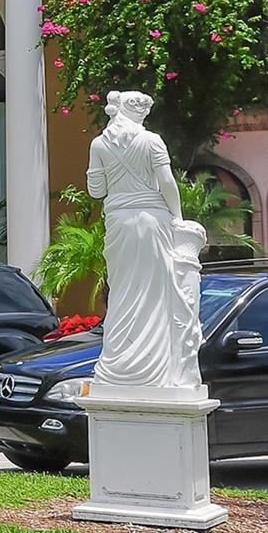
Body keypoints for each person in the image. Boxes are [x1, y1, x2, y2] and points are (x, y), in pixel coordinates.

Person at [87, 89, 191, 389]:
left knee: (122, 288)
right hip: (153, 221)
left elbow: (96, 190)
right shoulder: (152, 140)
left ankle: (120, 360)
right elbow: (167, 182)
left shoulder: (99, 144)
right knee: (155, 289)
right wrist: (178, 217)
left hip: (119, 221)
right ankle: (154, 365)